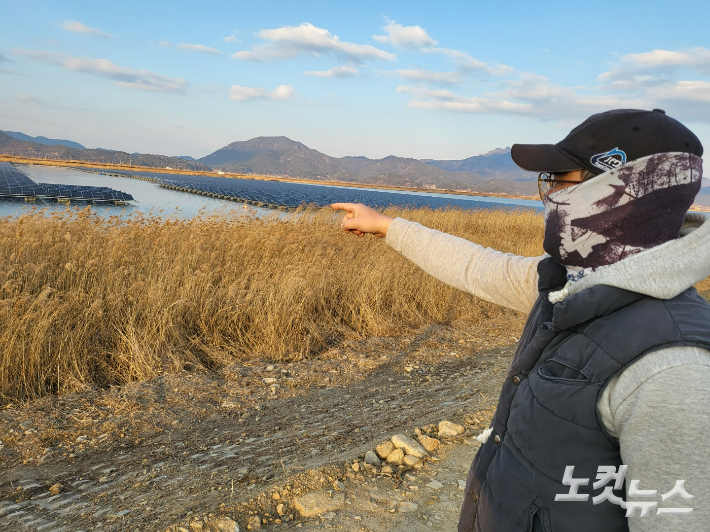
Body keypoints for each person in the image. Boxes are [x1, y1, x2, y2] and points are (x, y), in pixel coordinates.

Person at [332, 108, 710, 532]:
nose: (547, 196)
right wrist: (388, 227)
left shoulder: (674, 368)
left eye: (558, 179)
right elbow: (479, 266)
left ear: (613, 190)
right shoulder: (573, 285)